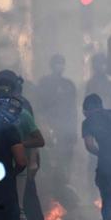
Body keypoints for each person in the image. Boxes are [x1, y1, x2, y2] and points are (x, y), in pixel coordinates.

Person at [0, 70, 46, 220]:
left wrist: (30, 160)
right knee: (11, 210)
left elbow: (35, 137)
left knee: (22, 209)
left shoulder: (21, 109)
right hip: (4, 168)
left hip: (20, 166)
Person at [37, 54, 79, 182]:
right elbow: (40, 105)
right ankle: (52, 187)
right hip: (50, 127)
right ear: (51, 65)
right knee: (51, 159)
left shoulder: (69, 84)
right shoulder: (44, 83)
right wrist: (44, 125)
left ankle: (66, 184)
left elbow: (73, 108)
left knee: (67, 158)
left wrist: (74, 129)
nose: (59, 66)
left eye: (61, 63)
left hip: (67, 128)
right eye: (57, 63)